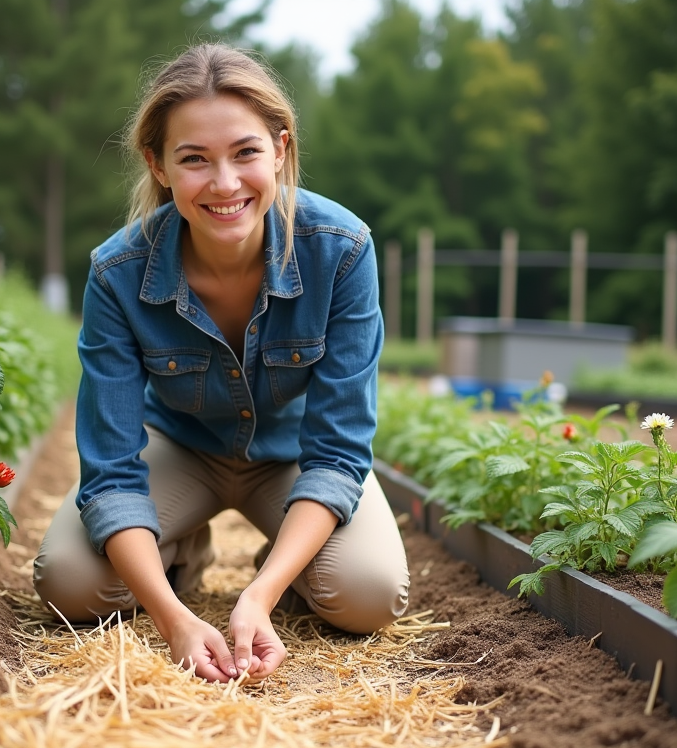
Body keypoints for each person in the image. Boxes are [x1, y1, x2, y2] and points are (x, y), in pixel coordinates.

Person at [33, 42, 409, 683]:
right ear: (158, 166)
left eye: (246, 152)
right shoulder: (117, 274)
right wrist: (173, 618)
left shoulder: (342, 251)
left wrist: (258, 595)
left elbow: (339, 452)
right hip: (180, 450)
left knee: (367, 592)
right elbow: (111, 472)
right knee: (70, 585)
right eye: (194, 160)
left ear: (281, 150)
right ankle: (179, 550)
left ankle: (283, 561)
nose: (225, 183)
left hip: (292, 459)